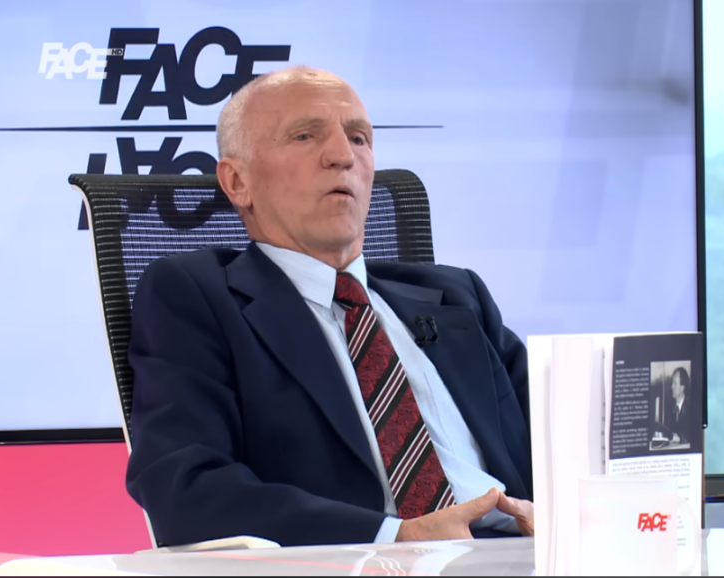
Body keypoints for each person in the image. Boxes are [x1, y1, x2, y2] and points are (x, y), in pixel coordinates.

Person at [124, 66, 534, 548]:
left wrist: (571, 511)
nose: (343, 155)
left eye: (359, 138)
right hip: (359, 561)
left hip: (531, 551)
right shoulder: (197, 297)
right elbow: (184, 487)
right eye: (305, 135)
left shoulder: (458, 295)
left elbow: (569, 430)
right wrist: (397, 537)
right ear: (237, 182)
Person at [669, 366, 694, 444]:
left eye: (675, 384)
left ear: (682, 387)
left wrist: (679, 439)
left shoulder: (691, 410)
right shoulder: (670, 410)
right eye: (672, 383)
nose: (672, 387)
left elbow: (691, 437)